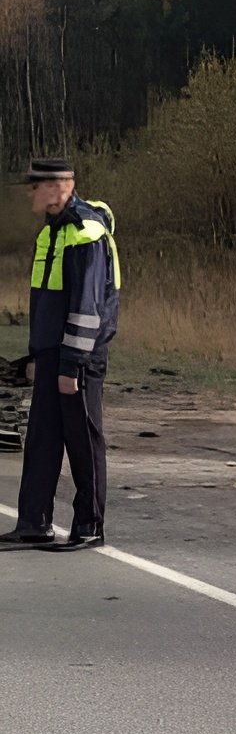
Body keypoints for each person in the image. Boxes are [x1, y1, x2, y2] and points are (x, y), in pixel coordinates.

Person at [1, 156, 121, 549]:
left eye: (36, 186)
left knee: (83, 441)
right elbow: (47, 303)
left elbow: (87, 307)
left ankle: (89, 526)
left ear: (59, 187)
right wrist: (40, 357)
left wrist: (71, 365)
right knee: (43, 438)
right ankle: (34, 523)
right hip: (53, 352)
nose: (31, 193)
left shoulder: (84, 232)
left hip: (78, 356)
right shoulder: (51, 232)